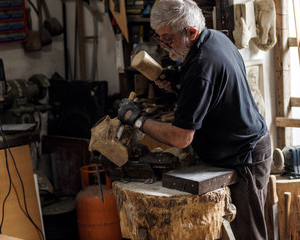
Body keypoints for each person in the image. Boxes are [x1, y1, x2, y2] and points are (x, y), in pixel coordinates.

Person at [117, 0, 272, 239]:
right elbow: (210, 93)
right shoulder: (213, 38)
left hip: (245, 156)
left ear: (191, 31)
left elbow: (180, 137)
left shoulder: (201, 66)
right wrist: (178, 82)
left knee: (249, 235)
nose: (164, 46)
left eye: (167, 38)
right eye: (159, 38)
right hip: (233, 151)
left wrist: (137, 120)